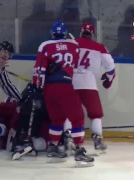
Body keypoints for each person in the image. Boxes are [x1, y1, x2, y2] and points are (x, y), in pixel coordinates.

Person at [32, 20, 94, 167]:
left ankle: (53, 147)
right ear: (65, 32)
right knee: (78, 118)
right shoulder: (74, 45)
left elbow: (39, 70)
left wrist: (37, 89)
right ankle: (79, 151)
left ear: (52, 33)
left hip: (49, 89)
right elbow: (75, 61)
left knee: (57, 119)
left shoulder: (45, 45)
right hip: (65, 86)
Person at [64, 22, 115, 153]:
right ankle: (98, 139)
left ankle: (68, 139)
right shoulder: (99, 47)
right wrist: (109, 79)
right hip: (89, 82)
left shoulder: (72, 43)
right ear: (92, 34)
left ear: (81, 32)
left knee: (70, 112)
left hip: (72, 81)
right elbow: (110, 66)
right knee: (95, 114)